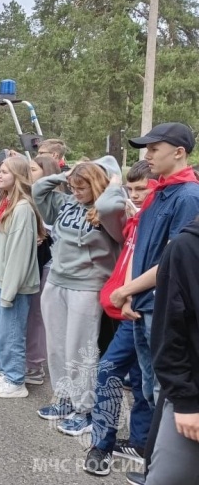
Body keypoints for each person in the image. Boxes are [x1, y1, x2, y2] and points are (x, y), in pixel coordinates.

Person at [109, 123, 199, 483]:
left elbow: (174, 262)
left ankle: (167, 468)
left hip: (162, 306)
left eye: (154, 148)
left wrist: (130, 289)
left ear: (179, 152)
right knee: (151, 387)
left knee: (167, 390)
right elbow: (144, 249)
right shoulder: (159, 192)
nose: (146, 155)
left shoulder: (188, 196)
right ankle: (154, 460)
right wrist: (131, 290)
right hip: (146, 302)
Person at [33, 157, 127, 436]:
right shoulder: (68, 203)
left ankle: (85, 409)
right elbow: (38, 189)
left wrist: (114, 180)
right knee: (57, 345)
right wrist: (66, 176)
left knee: (80, 347)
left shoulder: (107, 211)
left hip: (87, 285)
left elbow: (111, 203)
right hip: (57, 281)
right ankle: (65, 397)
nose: (75, 192)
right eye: (73, 187)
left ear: (97, 184)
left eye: (82, 187)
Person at [83, 161, 156, 476]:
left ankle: (131, 443)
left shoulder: (162, 217)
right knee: (123, 374)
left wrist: (112, 178)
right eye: (131, 188)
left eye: (143, 189)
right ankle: (110, 442)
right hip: (129, 310)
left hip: (144, 310)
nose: (135, 195)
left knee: (131, 378)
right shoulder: (137, 219)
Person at [0, 156, 44, 398]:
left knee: (12, 332)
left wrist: (10, 289)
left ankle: (16, 381)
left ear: (18, 177)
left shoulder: (23, 209)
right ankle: (6, 373)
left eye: (5, 172)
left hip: (13, 284)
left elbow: (19, 255)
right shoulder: (4, 203)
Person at [144, 217, 199, 485]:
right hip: (192, 397)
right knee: (170, 477)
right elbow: (169, 331)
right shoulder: (186, 247)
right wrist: (186, 402)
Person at [24, 154, 60, 386]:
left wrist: (43, 235)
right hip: (29, 264)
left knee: (38, 315)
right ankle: (28, 360)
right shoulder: (29, 199)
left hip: (48, 264)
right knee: (28, 315)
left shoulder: (56, 201)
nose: (29, 173)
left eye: (34, 169)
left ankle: (36, 365)